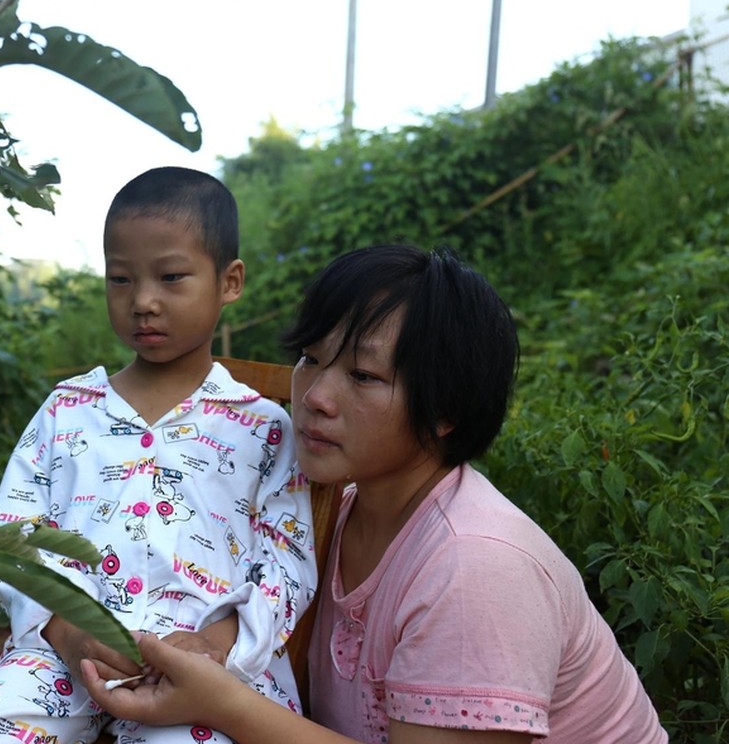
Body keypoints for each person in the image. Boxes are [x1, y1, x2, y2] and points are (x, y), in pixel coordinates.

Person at [83, 244, 668, 743]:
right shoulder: (323, 509)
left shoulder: (476, 565)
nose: (314, 395)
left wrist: (220, 703)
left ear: (444, 410)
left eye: (362, 376)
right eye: (311, 359)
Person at [0, 167, 318, 743]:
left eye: (171, 277)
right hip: (60, 662)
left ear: (230, 281)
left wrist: (216, 643)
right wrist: (70, 635)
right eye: (120, 280)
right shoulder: (67, 409)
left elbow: (288, 564)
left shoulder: (265, 430)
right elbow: (12, 538)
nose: (143, 302)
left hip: (208, 677)